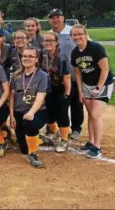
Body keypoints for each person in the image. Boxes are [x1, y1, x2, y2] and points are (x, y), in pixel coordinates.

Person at [71, 24, 114, 159]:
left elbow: (105, 69)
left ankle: (97, 147)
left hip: (103, 84)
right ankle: (91, 142)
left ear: (85, 34)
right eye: (74, 35)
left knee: (96, 115)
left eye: (80, 34)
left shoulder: (95, 48)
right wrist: (80, 91)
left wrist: (99, 87)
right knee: (90, 114)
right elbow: (77, 73)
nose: (77, 37)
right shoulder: (75, 52)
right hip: (87, 85)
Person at [9, 46, 50, 168]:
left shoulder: (42, 75)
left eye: (31, 56)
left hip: (37, 112)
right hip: (18, 112)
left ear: (36, 59)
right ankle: (36, 139)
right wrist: (12, 116)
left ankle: (33, 154)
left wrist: (31, 112)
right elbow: (11, 97)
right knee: (23, 149)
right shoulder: (16, 76)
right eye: (25, 56)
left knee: (30, 123)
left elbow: (41, 96)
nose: (27, 58)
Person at [49, 8, 84, 141]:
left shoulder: (73, 31)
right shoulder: (49, 35)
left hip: (74, 74)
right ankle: (61, 127)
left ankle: (76, 128)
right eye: (52, 17)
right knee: (60, 105)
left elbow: (85, 45)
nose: (55, 19)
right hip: (57, 78)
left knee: (76, 104)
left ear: (63, 18)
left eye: (58, 16)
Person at [42, 32, 71, 153]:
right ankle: (53, 133)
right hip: (47, 88)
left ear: (56, 42)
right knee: (49, 112)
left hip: (60, 87)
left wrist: (67, 93)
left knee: (62, 114)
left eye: (51, 40)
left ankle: (64, 140)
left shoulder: (61, 56)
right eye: (46, 40)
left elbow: (67, 76)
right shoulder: (42, 55)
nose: (48, 43)